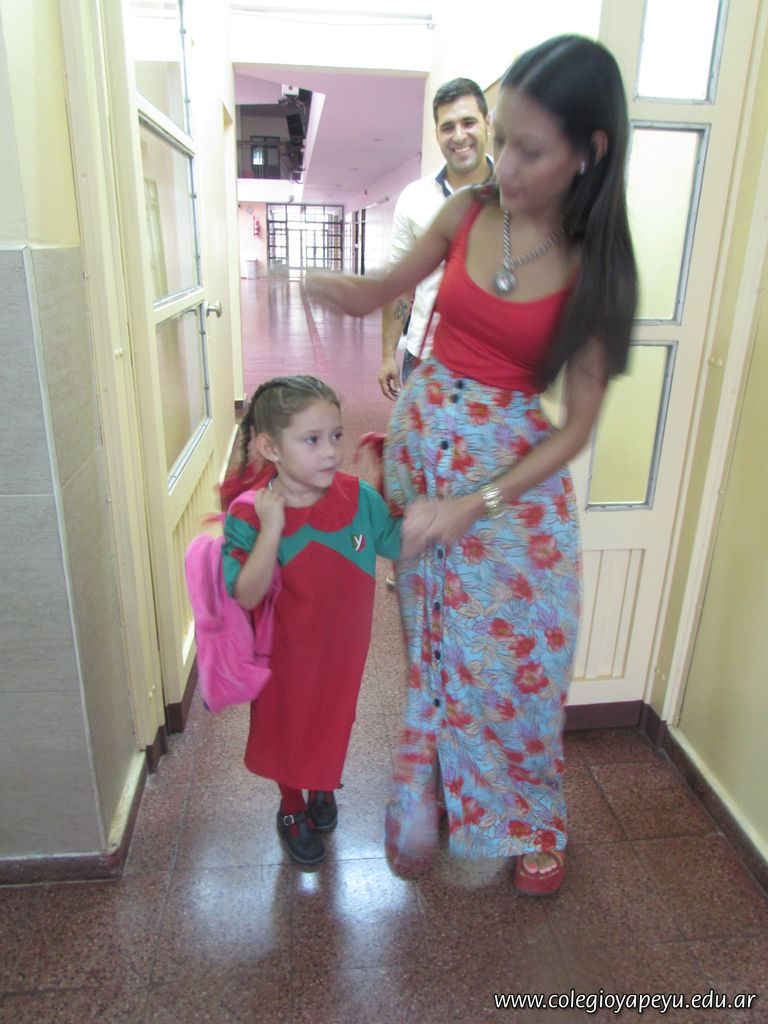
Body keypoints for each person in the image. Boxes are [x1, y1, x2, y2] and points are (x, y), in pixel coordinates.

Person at [306, 36, 637, 895]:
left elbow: (575, 428)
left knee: (518, 663)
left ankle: (531, 820)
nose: (504, 166)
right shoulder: (466, 213)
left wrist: (473, 504)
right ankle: (452, 788)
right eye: (504, 140)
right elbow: (386, 289)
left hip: (509, 487)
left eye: (530, 149)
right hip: (427, 457)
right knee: (437, 647)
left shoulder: (598, 268)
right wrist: (338, 290)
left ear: (589, 151)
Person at [220, 375, 435, 867]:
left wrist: (415, 498)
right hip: (282, 658)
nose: (331, 451)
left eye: (336, 436)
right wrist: (272, 528)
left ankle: (321, 784)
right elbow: (247, 592)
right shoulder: (249, 515)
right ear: (270, 447)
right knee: (288, 727)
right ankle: (291, 807)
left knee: (332, 718)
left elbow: (394, 543)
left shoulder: (358, 499)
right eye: (312, 440)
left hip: (343, 653)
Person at [378, 77, 493, 401]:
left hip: (493, 364)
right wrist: (388, 355)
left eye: (468, 122)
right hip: (424, 357)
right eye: (448, 127)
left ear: (487, 122)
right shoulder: (415, 198)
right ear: (437, 134)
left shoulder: (518, 195)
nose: (459, 136)